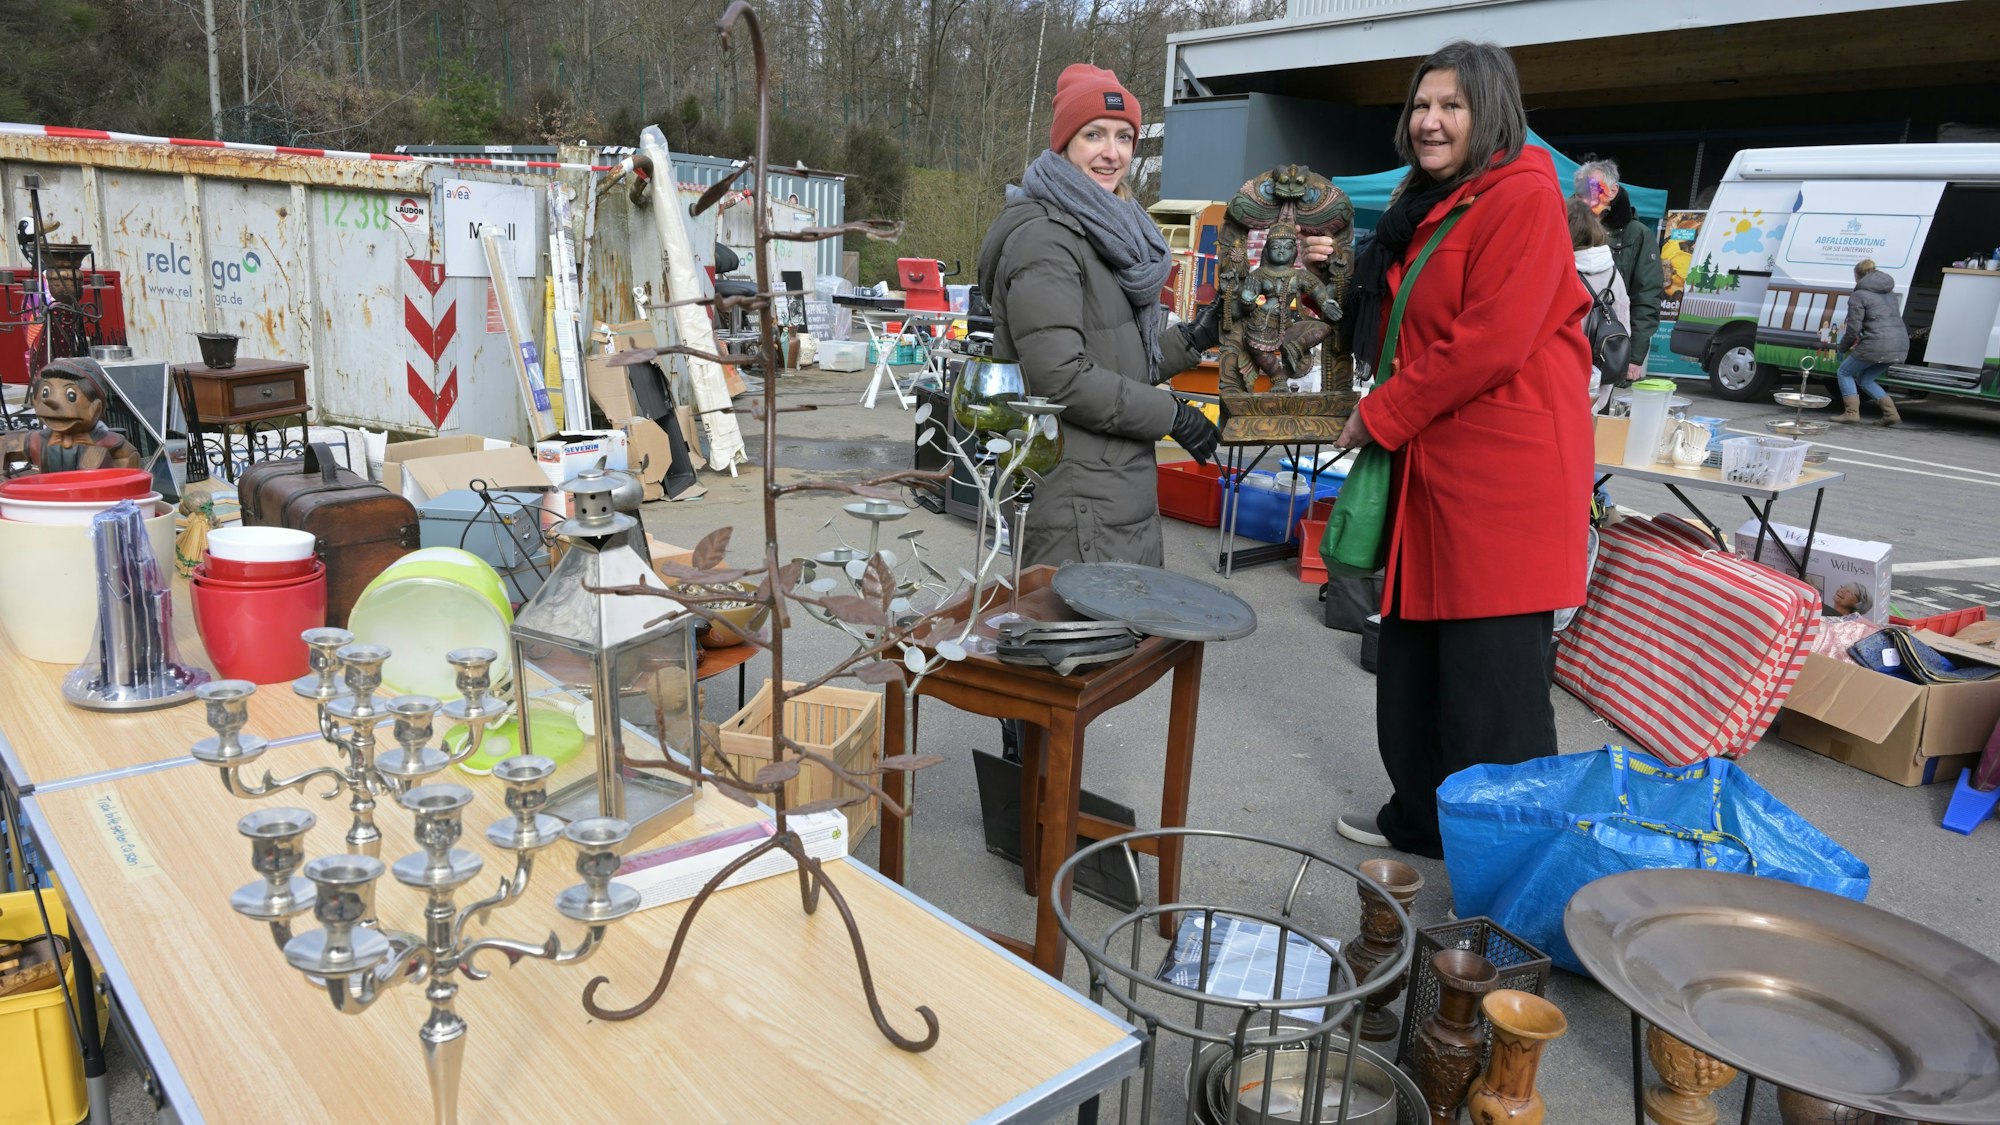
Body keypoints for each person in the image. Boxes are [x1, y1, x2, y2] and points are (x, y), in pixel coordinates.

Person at [1331, 41, 1593, 859]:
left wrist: (1383, 412)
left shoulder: (1522, 198)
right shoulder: (1442, 200)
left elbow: (1489, 340)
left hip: (1499, 478)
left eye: (1451, 106)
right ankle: (1420, 818)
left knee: (1492, 684)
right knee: (1414, 661)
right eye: (1420, 106)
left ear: (1491, 114)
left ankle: (1510, 864)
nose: (1430, 121)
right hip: (1438, 465)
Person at [1575, 157, 1661, 385]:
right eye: (1582, 189)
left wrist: (1633, 356)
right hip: (1568, 343)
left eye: (1592, 187)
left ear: (1613, 190)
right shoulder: (1566, 224)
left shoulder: (1638, 235)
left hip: (1608, 344)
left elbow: (1647, 296)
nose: (1586, 195)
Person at [1833, 259, 1908, 426]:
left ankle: (1851, 413)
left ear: (1857, 276)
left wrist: (1843, 347)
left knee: (1844, 372)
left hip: (1877, 343)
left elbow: (1853, 327)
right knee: (1866, 379)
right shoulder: (1889, 293)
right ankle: (1891, 414)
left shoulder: (1859, 294)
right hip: (1899, 344)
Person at [1570, 198, 1629, 400]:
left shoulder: (1562, 271)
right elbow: (1624, 325)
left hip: (1567, 373)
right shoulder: (1614, 273)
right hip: (1603, 374)